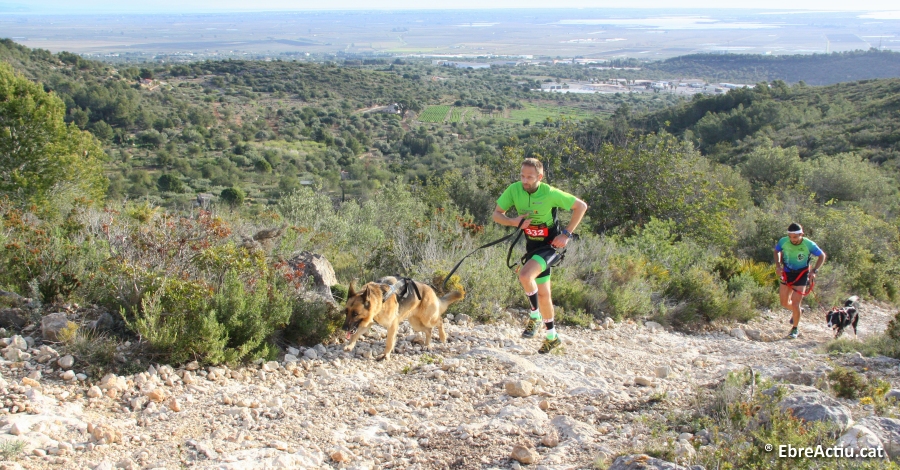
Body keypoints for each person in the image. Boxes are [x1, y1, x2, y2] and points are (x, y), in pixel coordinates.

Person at [492, 158, 588, 354]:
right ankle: (552, 337)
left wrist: (567, 234)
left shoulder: (549, 193)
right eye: (522, 176)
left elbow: (581, 206)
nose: (525, 180)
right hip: (532, 246)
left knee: (526, 276)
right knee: (543, 294)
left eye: (529, 177)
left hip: (551, 246)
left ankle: (534, 316)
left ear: (540, 177)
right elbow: (496, 214)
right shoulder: (514, 190)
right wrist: (514, 221)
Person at [774, 223, 826, 339]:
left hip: (802, 274)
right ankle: (798, 311)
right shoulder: (783, 241)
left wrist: (814, 271)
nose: (793, 240)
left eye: (795, 237)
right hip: (787, 273)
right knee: (784, 302)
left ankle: (795, 328)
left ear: (801, 234)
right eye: (791, 236)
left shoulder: (809, 244)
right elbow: (776, 251)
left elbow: (821, 255)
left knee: (796, 302)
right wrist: (778, 265)